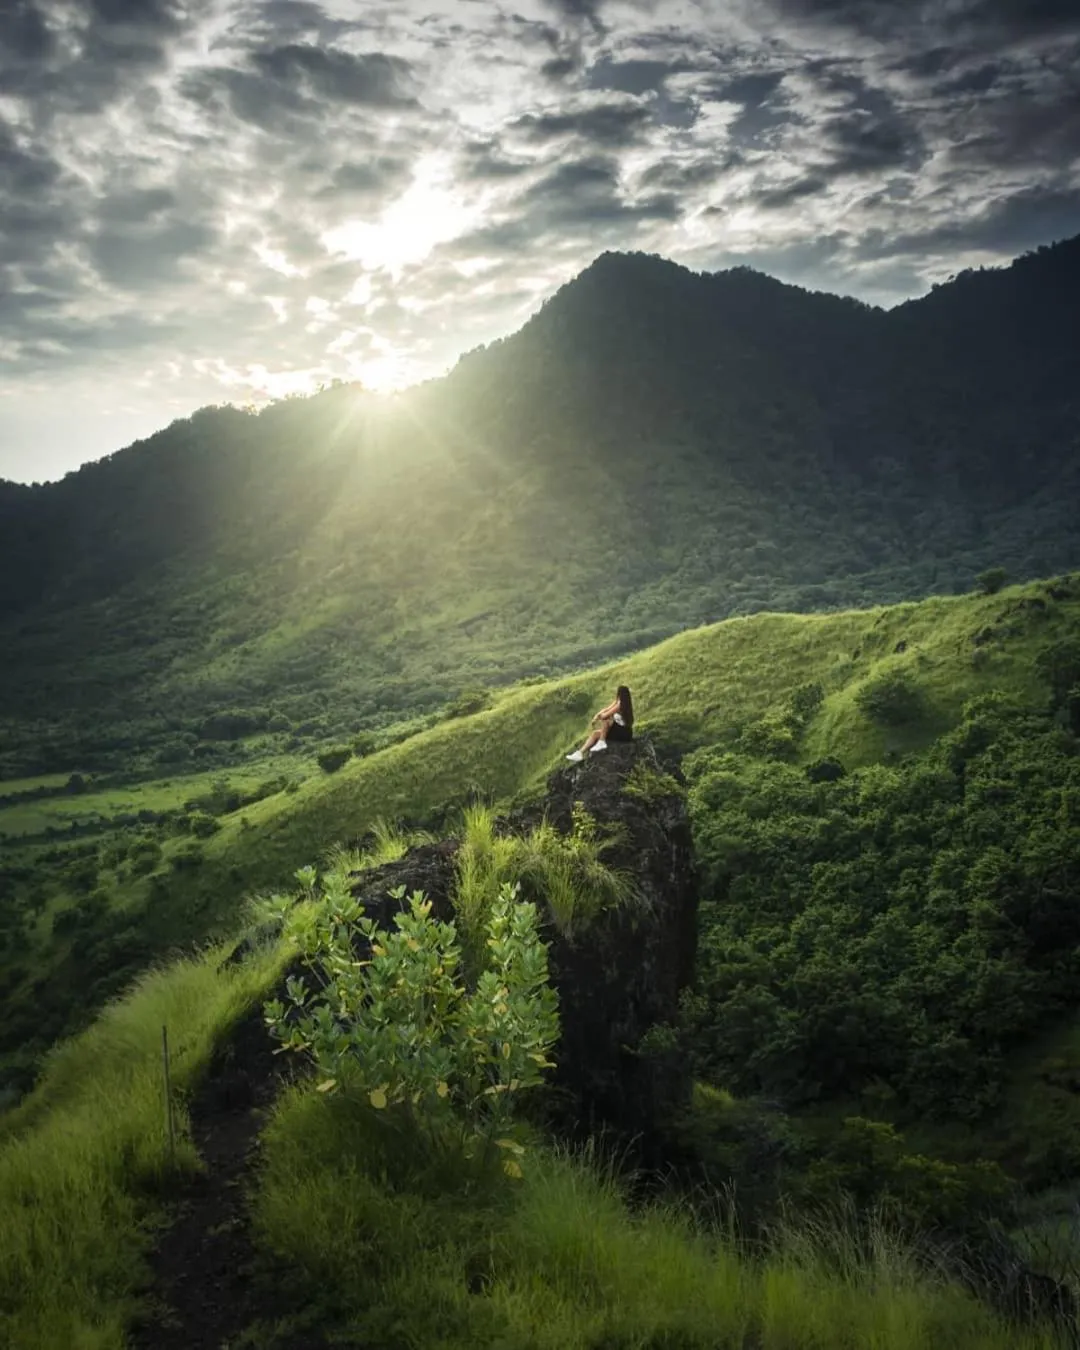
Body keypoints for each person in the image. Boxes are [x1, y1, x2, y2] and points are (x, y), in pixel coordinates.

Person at [566, 685, 634, 761]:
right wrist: (596, 716)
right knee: (595, 734)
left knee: (607, 720)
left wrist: (599, 717)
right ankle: (579, 753)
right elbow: (607, 709)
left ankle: (601, 742)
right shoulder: (621, 703)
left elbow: (605, 715)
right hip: (621, 731)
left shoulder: (620, 705)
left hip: (622, 733)